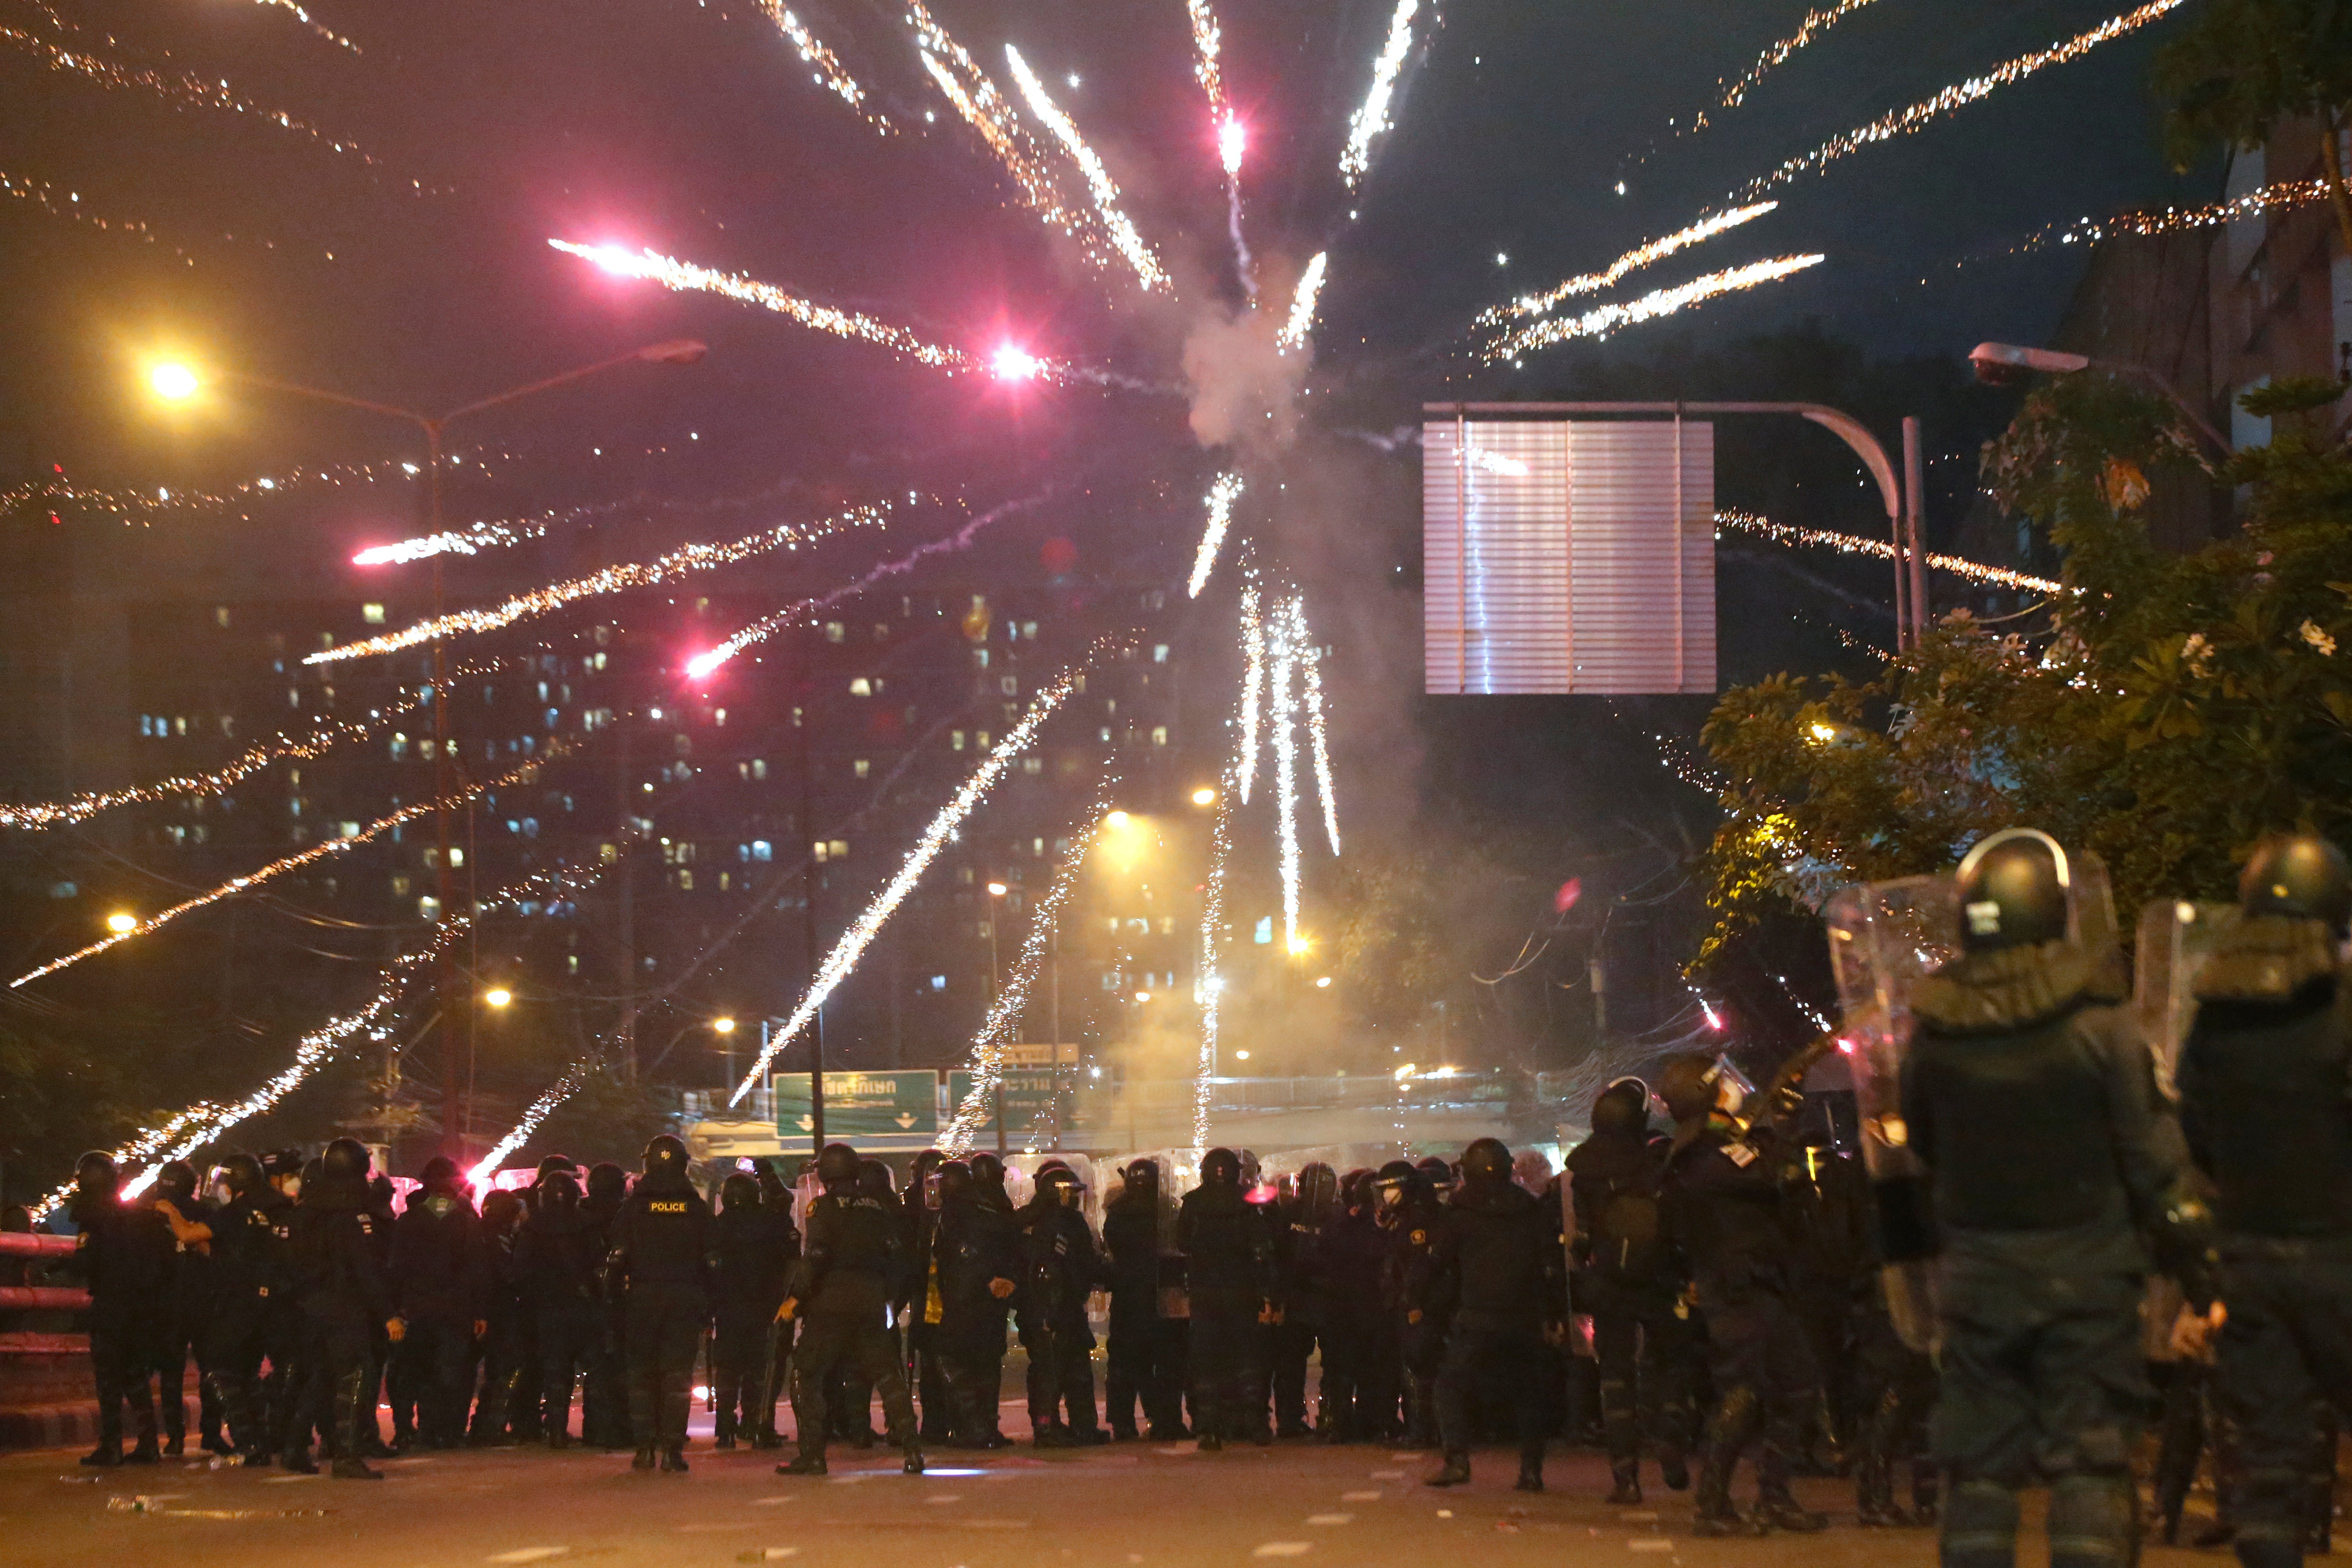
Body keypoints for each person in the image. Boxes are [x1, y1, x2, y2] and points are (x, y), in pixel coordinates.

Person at [1898, 828, 2210, 1568]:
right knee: (2091, 1463)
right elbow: (2153, 1163)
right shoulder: (2103, 1028)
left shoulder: (1934, 1038)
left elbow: (1921, 1148)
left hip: (1978, 1281)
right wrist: (2203, 1273)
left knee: (1979, 1468)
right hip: (2091, 1281)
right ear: (2055, 912)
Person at [2175, 831, 2352, 1568]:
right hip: (2341, 1254)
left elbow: (2195, 1131)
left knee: (2270, 1469)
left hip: (2247, 1262)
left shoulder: (2218, 1016)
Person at [1659, 1053, 1829, 1535]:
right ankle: (1712, 1505)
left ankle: (1774, 1496)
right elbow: (1776, 1175)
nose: (1734, 1087)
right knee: (1743, 1392)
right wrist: (1785, 1124)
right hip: (1735, 1289)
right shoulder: (1701, 1155)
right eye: (1722, 1083)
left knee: (1799, 1386)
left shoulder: (1720, 1145)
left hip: (1763, 1285)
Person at [1568, 1078, 1693, 1504]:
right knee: (1670, 1364)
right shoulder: (1657, 1157)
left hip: (1608, 1285)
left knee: (1615, 1377)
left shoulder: (1584, 1168)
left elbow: (1579, 1238)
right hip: (1658, 1280)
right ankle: (1671, 1441)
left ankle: (1626, 1478)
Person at [1424, 1138, 1567, 1492]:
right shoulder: (1531, 1211)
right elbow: (1549, 1266)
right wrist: (1553, 1316)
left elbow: (1438, 1264)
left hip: (1476, 1317)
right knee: (1529, 1393)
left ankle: (1458, 1461)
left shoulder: (1459, 1214)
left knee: (1450, 1386)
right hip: (1524, 1316)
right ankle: (1531, 1471)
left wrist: (1428, 1303)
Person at [776, 1142, 923, 1477]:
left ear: (825, 1174)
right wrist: (888, 1296)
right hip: (871, 1302)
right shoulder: (877, 1208)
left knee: (807, 1372)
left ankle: (813, 1455)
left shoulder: (822, 1208)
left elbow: (816, 1256)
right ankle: (913, 1451)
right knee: (888, 1375)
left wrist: (797, 1297)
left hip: (831, 1303)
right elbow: (896, 1257)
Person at [159, 1152, 291, 1464]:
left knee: (221, 1370)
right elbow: (220, 1249)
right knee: (248, 1371)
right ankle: (267, 1437)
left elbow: (189, 1234)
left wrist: (170, 1213)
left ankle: (248, 1441)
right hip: (272, 1302)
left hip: (240, 1302)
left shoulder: (236, 1212)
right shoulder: (272, 1209)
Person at [285, 1138, 399, 1479]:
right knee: (358, 1373)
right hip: (345, 1306)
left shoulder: (307, 1208)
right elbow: (364, 1267)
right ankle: (347, 1453)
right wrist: (388, 1313)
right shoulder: (355, 1209)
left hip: (308, 1306)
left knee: (320, 1376)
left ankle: (294, 1447)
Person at [606, 1135, 710, 1473]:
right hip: (684, 1302)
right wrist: (709, 1308)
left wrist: (614, 1304)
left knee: (641, 1377)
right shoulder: (695, 1207)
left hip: (641, 1302)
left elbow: (616, 1260)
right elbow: (714, 1262)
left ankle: (644, 1449)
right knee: (677, 1379)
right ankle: (673, 1452)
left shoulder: (634, 1207)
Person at [69, 1151, 171, 1466]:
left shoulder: (93, 1219)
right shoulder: (132, 1216)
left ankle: (111, 1445)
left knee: (109, 1378)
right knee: (134, 1375)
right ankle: (149, 1442)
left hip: (111, 1307)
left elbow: (86, 1264)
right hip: (139, 1308)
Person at [1177, 1147, 1276, 1451]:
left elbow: (1182, 1244)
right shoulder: (1247, 1203)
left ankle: (1208, 1428)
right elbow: (1261, 1251)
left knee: (1207, 1364)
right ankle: (1255, 1424)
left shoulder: (1192, 1204)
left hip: (1205, 1296)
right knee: (1247, 1362)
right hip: (1241, 1294)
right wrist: (1266, 1293)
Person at [388, 1156, 482, 1449]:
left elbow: (397, 1268)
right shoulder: (468, 1221)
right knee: (452, 1368)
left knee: (421, 1368)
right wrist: (481, 1311)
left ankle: (425, 1430)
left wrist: (399, 1309)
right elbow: (478, 1270)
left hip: (418, 1308)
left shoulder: (408, 1220)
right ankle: (450, 1430)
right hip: (457, 1308)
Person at [931, 1158, 1021, 1448]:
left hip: (963, 1297)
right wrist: (1005, 1277)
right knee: (987, 1362)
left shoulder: (954, 1212)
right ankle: (989, 1427)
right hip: (993, 1299)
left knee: (954, 1360)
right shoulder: (992, 1208)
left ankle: (973, 1428)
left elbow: (963, 1253)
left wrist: (983, 1277)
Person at [1020, 1163, 1109, 1445]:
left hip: (1063, 1306)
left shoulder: (1056, 1220)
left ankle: (1082, 1425)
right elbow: (1052, 1270)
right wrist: (1051, 1311)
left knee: (1075, 1368)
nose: (1074, 1198)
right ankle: (1048, 1428)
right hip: (1054, 1307)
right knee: (1052, 1371)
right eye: (1069, 1192)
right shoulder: (1055, 1223)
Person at [707, 1170, 795, 1449]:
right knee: (760, 1369)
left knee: (728, 1368)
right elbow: (791, 1258)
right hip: (765, 1307)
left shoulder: (717, 1226)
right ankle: (756, 1424)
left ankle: (724, 1425)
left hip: (727, 1308)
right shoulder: (771, 1222)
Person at [517, 1167, 604, 1447]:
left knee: (556, 1371)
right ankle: (595, 1430)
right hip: (584, 1307)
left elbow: (522, 1269)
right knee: (593, 1371)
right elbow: (598, 1265)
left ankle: (556, 1430)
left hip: (548, 1308)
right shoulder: (587, 1224)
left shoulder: (533, 1226)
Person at [1102, 1157, 1185, 1440]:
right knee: (1165, 1362)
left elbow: (1112, 1249)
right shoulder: (1167, 1208)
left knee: (1124, 1364)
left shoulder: (1118, 1211)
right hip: (1162, 1294)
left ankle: (1124, 1423)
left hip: (1128, 1297)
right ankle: (1164, 1420)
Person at [147, 1160, 227, 1455]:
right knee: (210, 1370)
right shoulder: (206, 1212)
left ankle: (175, 1437)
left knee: (171, 1372)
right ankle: (211, 1433)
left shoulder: (148, 1213)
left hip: (165, 1304)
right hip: (204, 1302)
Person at [1375, 1159, 1449, 1448]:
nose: (1386, 1195)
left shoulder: (1418, 1220)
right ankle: (1426, 1429)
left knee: (1419, 1369)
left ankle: (1423, 1431)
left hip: (1420, 1307)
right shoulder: (1408, 1218)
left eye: (1391, 1189)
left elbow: (1419, 1266)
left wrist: (1412, 1301)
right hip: (1416, 1305)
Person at [1272, 1163, 1341, 1439]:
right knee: (1335, 1364)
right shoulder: (1338, 1216)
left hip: (1296, 1298)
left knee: (1290, 1365)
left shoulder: (1287, 1213)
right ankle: (1332, 1419)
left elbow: (1276, 1254)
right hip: (1330, 1300)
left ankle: (1290, 1420)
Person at [470, 1189, 533, 1445]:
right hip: (497, 1313)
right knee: (503, 1370)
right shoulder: (495, 1239)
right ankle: (489, 1427)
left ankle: (486, 1425)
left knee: (497, 1370)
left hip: (490, 1311)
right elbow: (501, 1276)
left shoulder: (486, 1233)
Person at [580, 1161, 631, 1448]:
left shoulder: (580, 1214)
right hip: (621, 1298)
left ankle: (595, 1429)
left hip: (587, 1299)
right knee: (620, 1365)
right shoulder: (627, 1213)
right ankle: (621, 1428)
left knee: (597, 1367)